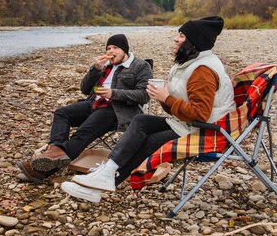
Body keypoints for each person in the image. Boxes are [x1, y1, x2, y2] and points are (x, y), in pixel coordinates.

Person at [62, 16, 236, 202]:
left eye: (182, 36)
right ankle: (107, 173)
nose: (176, 39)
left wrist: (166, 98)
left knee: (149, 141)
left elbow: (201, 114)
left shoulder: (202, 71)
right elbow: (182, 110)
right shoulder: (189, 64)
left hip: (208, 131)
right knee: (141, 121)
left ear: (195, 43)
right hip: (187, 123)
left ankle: (101, 184)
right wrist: (163, 98)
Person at [17, 34, 153, 183]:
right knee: (62, 113)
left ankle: (40, 171)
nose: (111, 51)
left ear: (125, 50)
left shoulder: (140, 66)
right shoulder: (106, 65)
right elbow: (85, 89)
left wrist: (114, 93)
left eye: (115, 48)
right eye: (108, 48)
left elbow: (144, 95)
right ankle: (55, 150)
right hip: (93, 103)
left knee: (83, 133)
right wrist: (95, 69)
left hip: (116, 110)